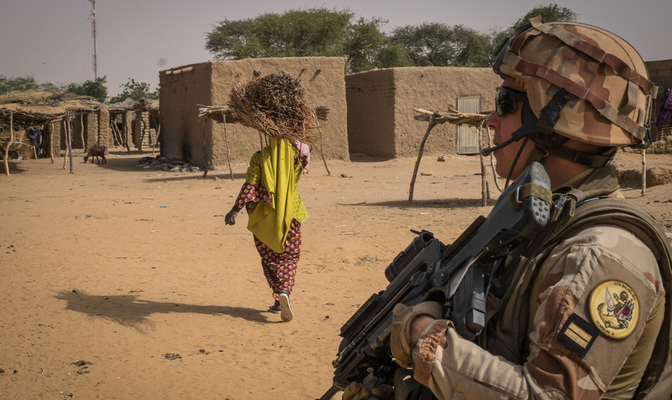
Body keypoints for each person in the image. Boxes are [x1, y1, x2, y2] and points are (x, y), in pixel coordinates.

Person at [347, 16, 672, 400]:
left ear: (555, 120)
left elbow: (544, 395)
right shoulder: (543, 222)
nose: (489, 120)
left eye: (506, 103)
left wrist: (421, 332)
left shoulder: (599, 255)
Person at [225, 137, 310, 323]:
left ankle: (279, 299)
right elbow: (304, 161)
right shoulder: (297, 156)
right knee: (290, 257)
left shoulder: (260, 157)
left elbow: (250, 185)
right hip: (292, 213)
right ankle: (284, 292)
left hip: (265, 216)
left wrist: (235, 209)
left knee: (269, 259)